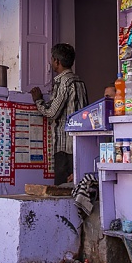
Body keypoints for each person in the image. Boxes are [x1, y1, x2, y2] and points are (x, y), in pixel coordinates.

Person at [31, 43, 88, 185]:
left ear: (57, 61)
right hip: (80, 144)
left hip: (64, 146)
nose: (51, 62)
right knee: (77, 188)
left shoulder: (64, 82)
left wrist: (38, 101)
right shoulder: (79, 81)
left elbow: (52, 113)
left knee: (63, 190)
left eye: (52, 59)